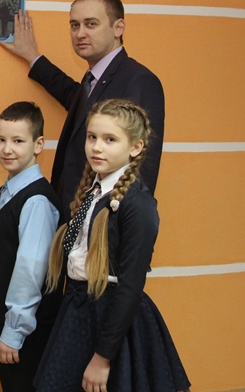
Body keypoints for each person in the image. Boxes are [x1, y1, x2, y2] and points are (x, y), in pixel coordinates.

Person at [34, 99, 189, 392]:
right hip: (78, 310)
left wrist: (102, 358)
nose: (97, 147)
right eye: (92, 137)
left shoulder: (137, 205)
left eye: (110, 140)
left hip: (111, 320)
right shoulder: (92, 193)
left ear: (136, 147)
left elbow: (131, 285)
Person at [0, 0, 165, 213]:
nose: (80, 33)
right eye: (75, 25)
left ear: (118, 28)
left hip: (102, 221)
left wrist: (116, 223)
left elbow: (145, 164)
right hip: (73, 216)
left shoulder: (139, 80)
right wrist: (32, 57)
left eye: (91, 24)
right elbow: (73, 96)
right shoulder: (92, 79)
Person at [0, 102, 61, 392]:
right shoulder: (4, 193)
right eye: (0, 139)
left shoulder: (36, 201)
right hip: (3, 320)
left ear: (39, 145)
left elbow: (30, 271)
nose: (7, 149)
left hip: (26, 331)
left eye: (18, 141)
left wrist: (13, 332)